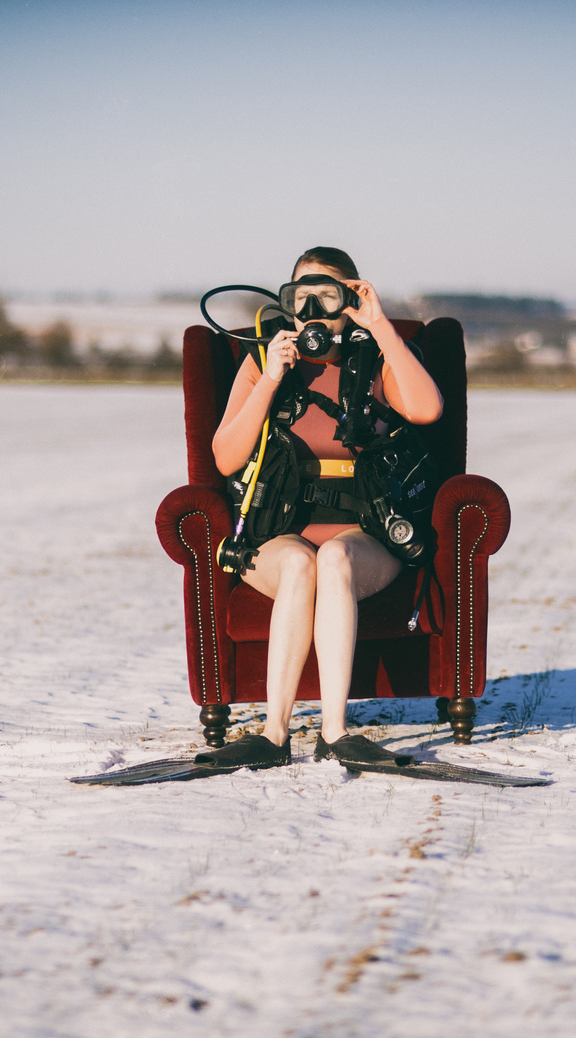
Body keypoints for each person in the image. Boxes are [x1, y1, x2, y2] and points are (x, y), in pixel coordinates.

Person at [204, 246, 444, 769]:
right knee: (298, 563)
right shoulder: (263, 358)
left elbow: (427, 408)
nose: (312, 306)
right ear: (286, 302)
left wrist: (381, 328)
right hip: (283, 528)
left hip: (365, 531)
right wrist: (269, 378)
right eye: (300, 294)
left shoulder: (377, 356)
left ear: (351, 298)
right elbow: (225, 458)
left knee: (333, 559)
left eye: (328, 293)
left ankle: (335, 732)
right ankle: (273, 734)